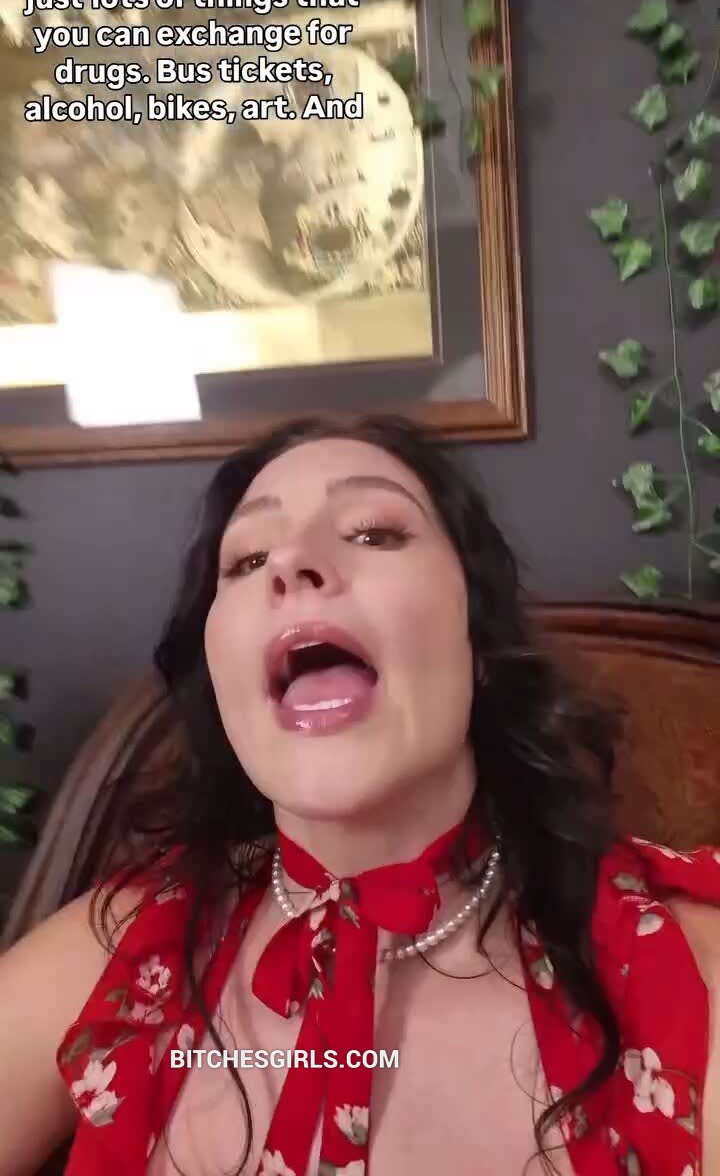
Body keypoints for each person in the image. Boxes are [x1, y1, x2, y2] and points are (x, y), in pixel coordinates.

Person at [1, 413, 719, 1176]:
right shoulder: (114, 949)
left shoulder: (690, 973)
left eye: (374, 532)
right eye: (246, 559)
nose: (290, 563)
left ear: (479, 640)